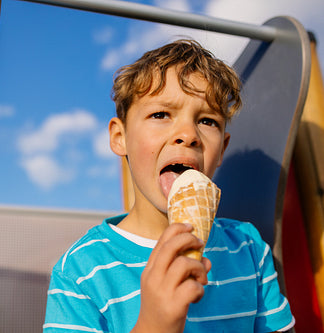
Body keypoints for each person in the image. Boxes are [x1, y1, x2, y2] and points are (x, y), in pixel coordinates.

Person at [43, 39, 294, 332]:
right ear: (119, 137)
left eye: (207, 121)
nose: (188, 134)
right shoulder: (80, 271)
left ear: (223, 149)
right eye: (161, 114)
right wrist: (154, 324)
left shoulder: (249, 249)